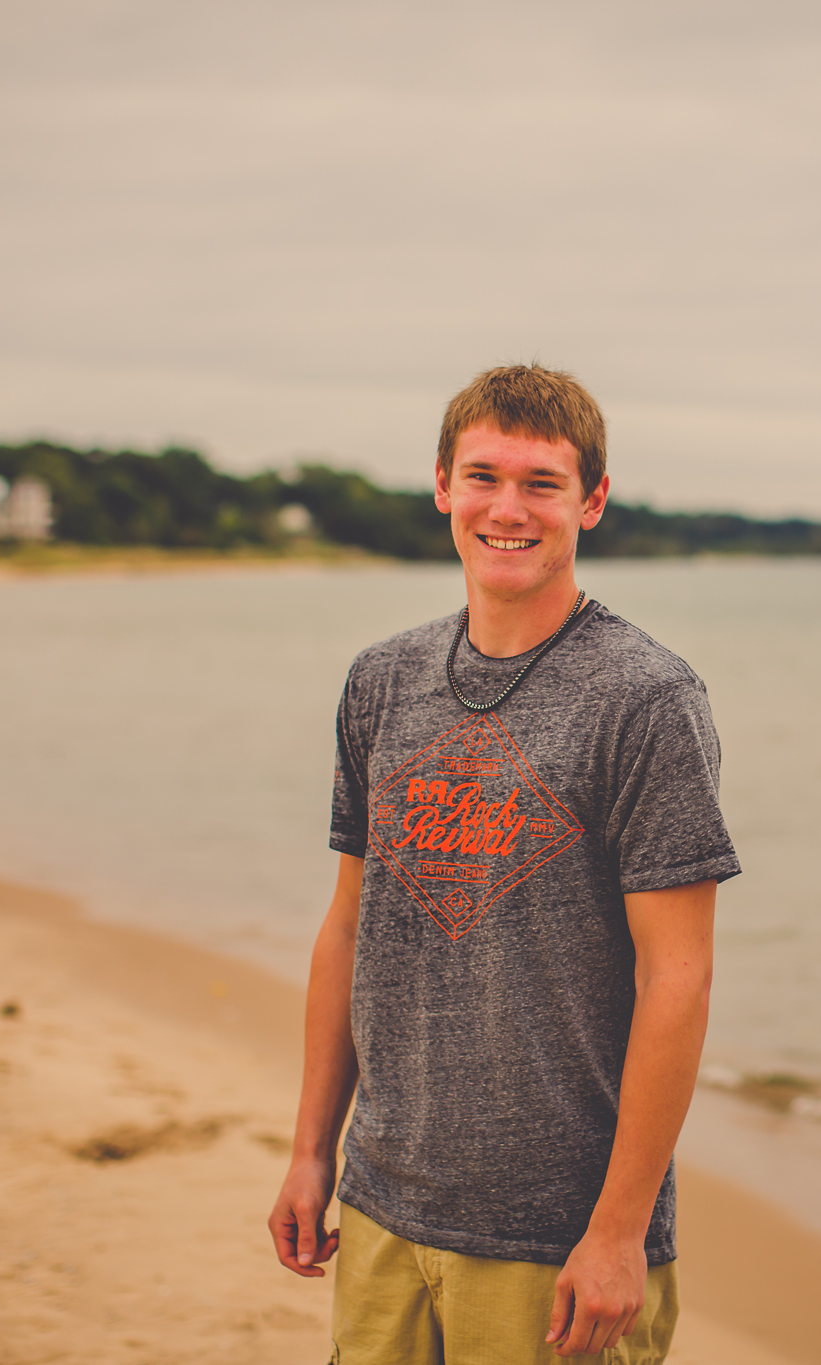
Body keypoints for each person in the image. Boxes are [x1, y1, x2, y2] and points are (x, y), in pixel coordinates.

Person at [267, 364, 739, 1363]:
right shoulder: (382, 680)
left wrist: (617, 1231)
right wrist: (311, 1151)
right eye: (483, 477)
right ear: (443, 485)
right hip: (384, 1202)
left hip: (558, 1235)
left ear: (591, 501)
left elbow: (679, 976)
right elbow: (348, 926)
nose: (507, 509)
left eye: (541, 483)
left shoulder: (645, 699)